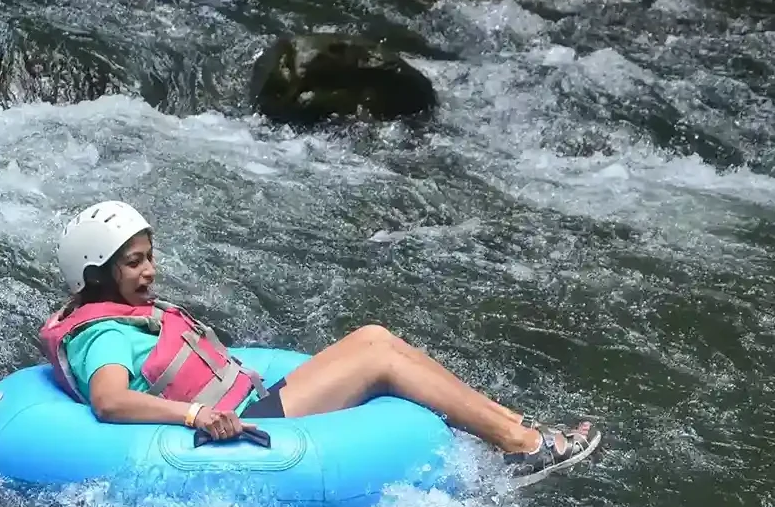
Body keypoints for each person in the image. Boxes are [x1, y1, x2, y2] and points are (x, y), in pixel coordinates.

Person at [37, 200, 601, 483]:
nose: (151, 271)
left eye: (149, 257)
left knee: (374, 336)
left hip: (248, 401)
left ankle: (519, 428)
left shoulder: (124, 312)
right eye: (134, 263)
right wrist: (195, 415)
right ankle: (523, 447)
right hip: (241, 424)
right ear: (95, 277)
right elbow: (110, 400)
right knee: (377, 354)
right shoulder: (105, 333)